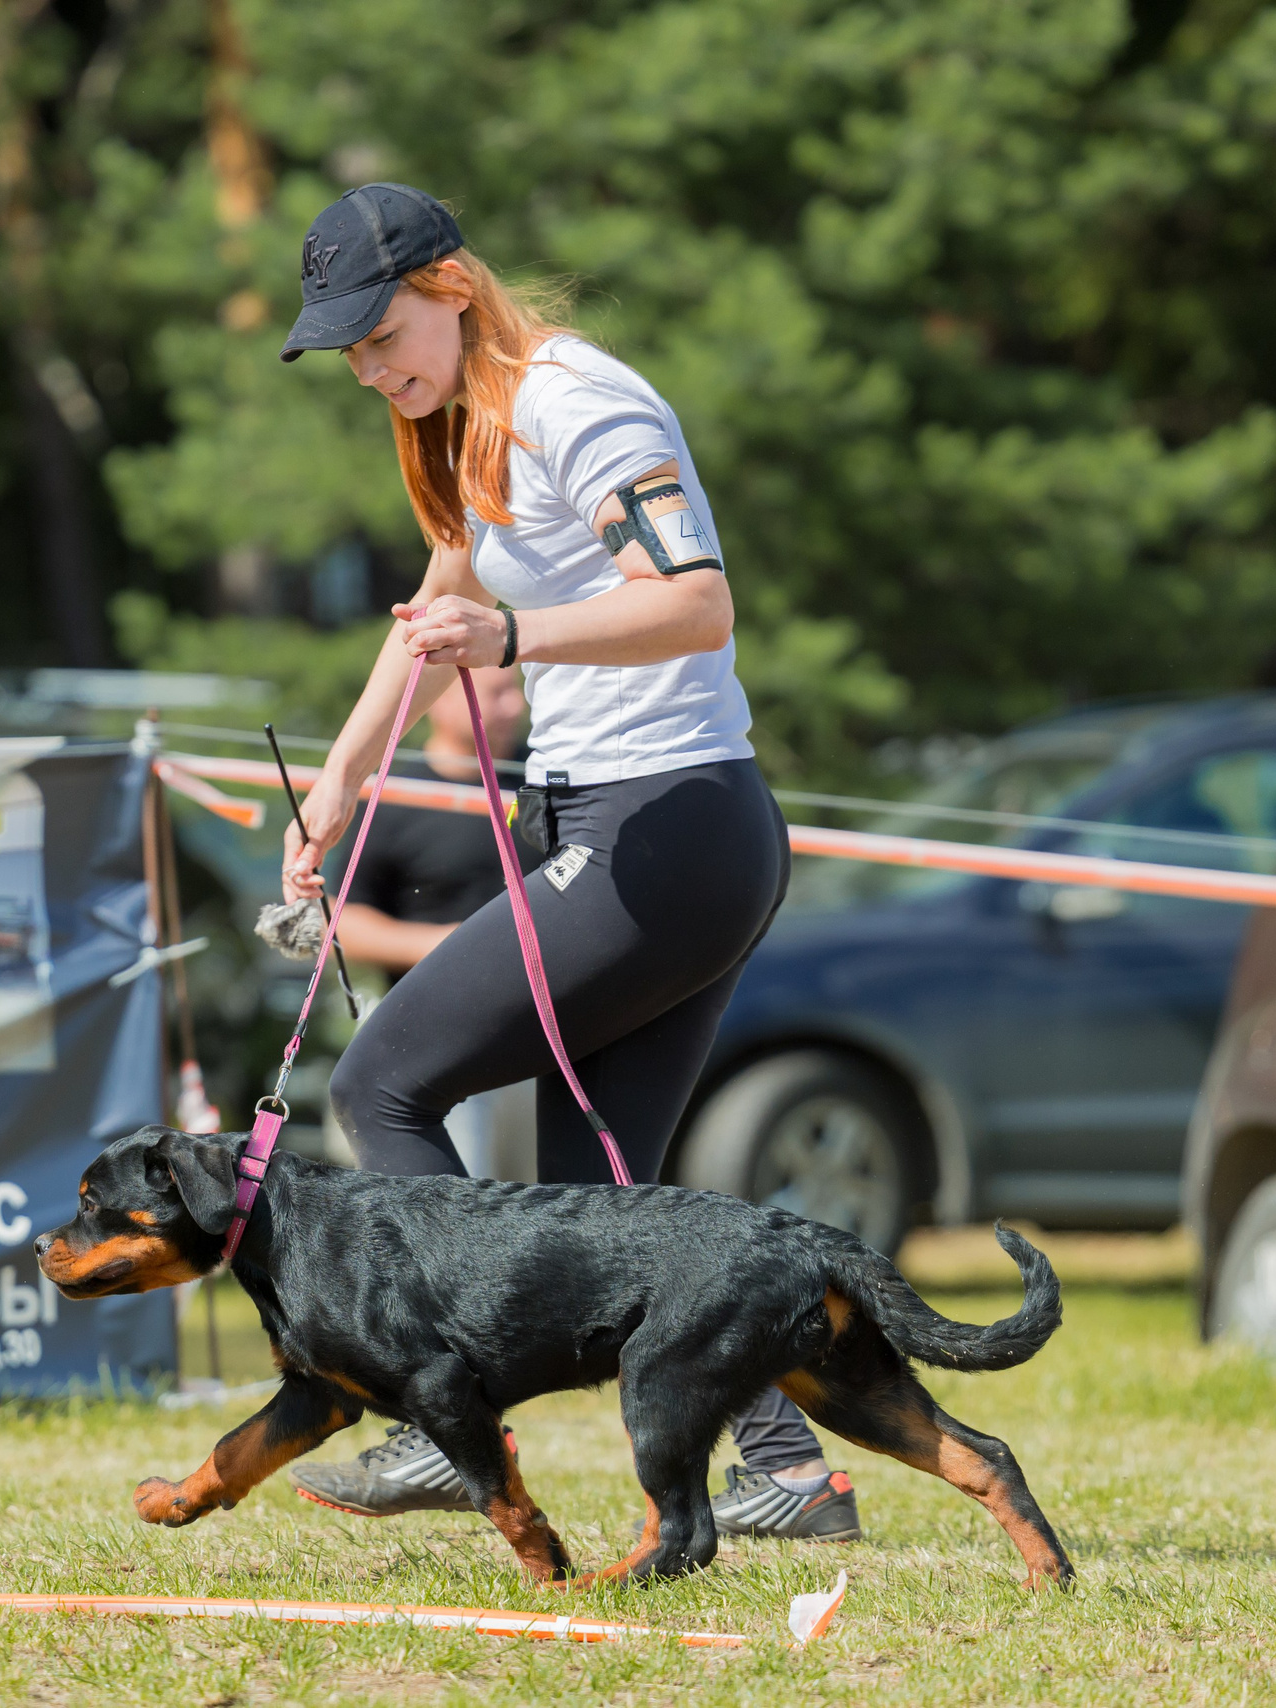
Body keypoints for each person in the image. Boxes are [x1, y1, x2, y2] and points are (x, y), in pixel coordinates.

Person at [274, 183, 859, 1544]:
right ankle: (786, 1471)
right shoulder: (468, 428)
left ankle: (445, 1416)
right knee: (612, 1199)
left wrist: (522, 645)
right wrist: (340, 789)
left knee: (386, 1079)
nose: (372, 368)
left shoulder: (578, 401)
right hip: (643, 831)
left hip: (667, 828)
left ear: (455, 288)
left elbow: (697, 601)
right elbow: (437, 608)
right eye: (350, 351)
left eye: (383, 333)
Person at [329, 663, 537, 1179]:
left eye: (517, 691)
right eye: (498, 692)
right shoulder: (394, 793)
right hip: (439, 1039)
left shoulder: (548, 775)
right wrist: (456, 946)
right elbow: (343, 926)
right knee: (463, 1198)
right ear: (443, 698)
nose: (517, 706)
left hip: (551, 1029)